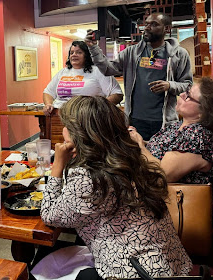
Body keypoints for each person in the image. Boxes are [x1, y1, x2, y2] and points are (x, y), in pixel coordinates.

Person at [39, 96, 192, 280]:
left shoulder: (91, 178)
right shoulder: (131, 158)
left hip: (136, 273)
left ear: (79, 135)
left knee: (46, 260)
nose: (63, 130)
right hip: (172, 266)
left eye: (67, 126)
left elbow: (50, 215)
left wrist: (57, 166)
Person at [85, 13, 192, 141]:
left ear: (167, 29)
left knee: (162, 159)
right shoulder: (131, 52)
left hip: (164, 121)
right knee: (137, 158)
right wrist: (93, 48)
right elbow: (108, 69)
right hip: (134, 120)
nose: (147, 28)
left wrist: (170, 85)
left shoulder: (179, 54)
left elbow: (188, 85)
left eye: (154, 24)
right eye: (146, 24)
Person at [130, 77, 213, 184]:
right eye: (186, 91)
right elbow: (160, 150)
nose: (182, 94)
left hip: (160, 196)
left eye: (188, 96)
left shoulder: (198, 137)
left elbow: (162, 175)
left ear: (204, 111)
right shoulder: (179, 125)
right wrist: (137, 138)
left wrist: (140, 145)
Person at [43, 40, 123, 115]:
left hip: (88, 116)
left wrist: (99, 107)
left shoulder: (99, 71)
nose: (74, 55)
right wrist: (48, 104)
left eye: (79, 52)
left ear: (87, 55)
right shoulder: (63, 72)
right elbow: (48, 92)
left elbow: (117, 94)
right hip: (61, 114)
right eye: (71, 53)